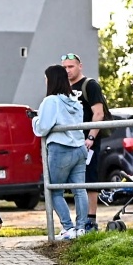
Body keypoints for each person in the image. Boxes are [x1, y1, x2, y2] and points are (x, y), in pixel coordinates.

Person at [32, 64, 88, 239]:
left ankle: (68, 228)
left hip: (60, 148)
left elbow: (42, 128)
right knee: (80, 190)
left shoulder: (51, 101)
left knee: (54, 190)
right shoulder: (75, 100)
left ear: (51, 80)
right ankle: (81, 228)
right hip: (79, 148)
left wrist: (34, 120)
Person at [62, 55, 109, 230]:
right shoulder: (64, 87)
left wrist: (90, 137)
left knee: (90, 179)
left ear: (80, 66)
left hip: (88, 142)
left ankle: (91, 219)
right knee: (74, 181)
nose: (68, 70)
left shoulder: (90, 85)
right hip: (70, 141)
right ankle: (77, 222)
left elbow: (98, 113)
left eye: (71, 66)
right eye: (65, 67)